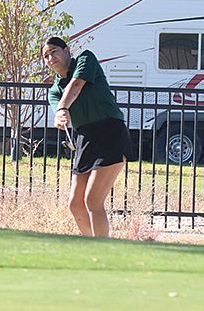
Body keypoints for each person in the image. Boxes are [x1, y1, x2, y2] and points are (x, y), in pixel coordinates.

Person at [42, 37, 136, 237]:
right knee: (76, 203)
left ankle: (102, 252)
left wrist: (63, 107)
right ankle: (91, 247)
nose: (50, 57)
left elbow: (76, 86)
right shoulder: (54, 91)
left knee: (93, 200)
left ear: (66, 51)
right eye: (46, 56)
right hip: (84, 139)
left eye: (53, 51)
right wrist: (59, 117)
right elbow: (59, 115)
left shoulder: (86, 59)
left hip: (110, 132)